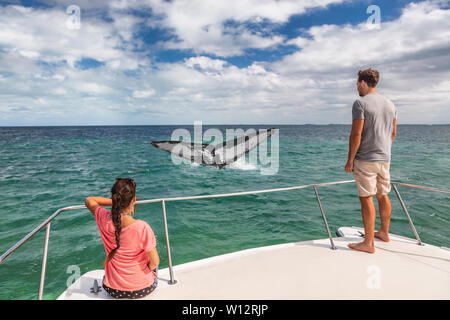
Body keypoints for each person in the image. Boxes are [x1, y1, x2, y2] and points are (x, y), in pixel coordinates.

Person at [345, 68, 398, 254]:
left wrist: (350, 159)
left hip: (366, 159)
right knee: (383, 195)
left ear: (363, 82)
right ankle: (384, 232)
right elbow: (393, 133)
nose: (356, 86)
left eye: (357, 82)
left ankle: (368, 243)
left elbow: (356, 134)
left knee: (366, 198)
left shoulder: (360, 103)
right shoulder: (391, 104)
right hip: (385, 158)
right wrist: (383, 149)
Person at [85, 178, 160, 298]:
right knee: (153, 259)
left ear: (115, 198)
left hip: (113, 289)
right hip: (143, 288)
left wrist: (115, 203)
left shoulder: (103, 218)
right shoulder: (142, 227)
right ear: (134, 200)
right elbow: (155, 262)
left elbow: (89, 200)